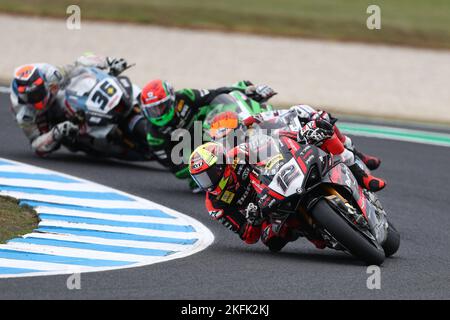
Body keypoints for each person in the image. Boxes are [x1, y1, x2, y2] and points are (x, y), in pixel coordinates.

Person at [189, 141, 326, 252]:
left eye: (209, 174)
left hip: (277, 182)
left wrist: (277, 157)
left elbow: (272, 145)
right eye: (200, 179)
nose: (207, 182)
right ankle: (309, 230)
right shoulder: (214, 205)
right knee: (271, 240)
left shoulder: (239, 154)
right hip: (266, 212)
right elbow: (248, 237)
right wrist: (253, 220)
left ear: (221, 164)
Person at [139, 79, 276, 190]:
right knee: (212, 182)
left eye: (160, 107)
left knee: (238, 88)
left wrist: (247, 91)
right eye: (152, 110)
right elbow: (176, 168)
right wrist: (201, 161)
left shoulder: (185, 97)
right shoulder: (154, 136)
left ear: (171, 100)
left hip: (209, 131)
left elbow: (215, 94)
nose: (157, 113)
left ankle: (261, 124)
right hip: (197, 155)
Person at [10, 53, 133, 156]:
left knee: (79, 81)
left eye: (38, 93)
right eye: (30, 97)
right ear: (22, 97)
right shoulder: (24, 114)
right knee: (52, 144)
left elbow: (79, 64)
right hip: (43, 116)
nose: (36, 98)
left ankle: (106, 94)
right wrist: (55, 133)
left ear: (44, 84)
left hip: (57, 94)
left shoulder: (53, 75)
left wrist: (108, 62)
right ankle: (81, 135)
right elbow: (36, 146)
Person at [242, 104, 385, 192]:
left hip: (302, 141)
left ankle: (364, 175)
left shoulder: (264, 119)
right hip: (287, 163)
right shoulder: (245, 148)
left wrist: (251, 120)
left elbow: (273, 115)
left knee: (321, 121)